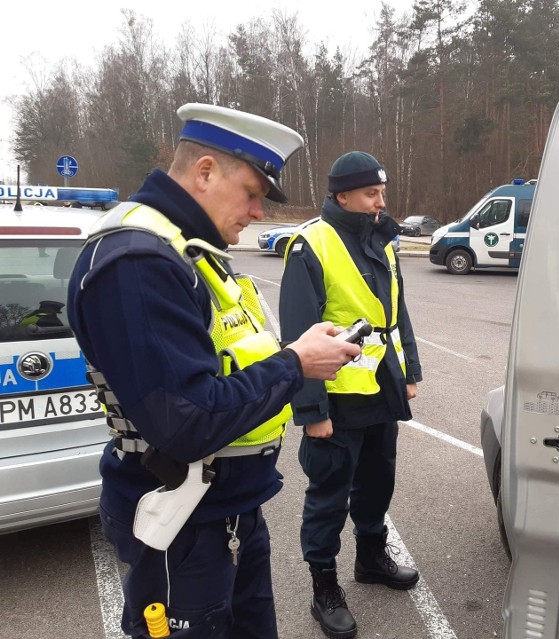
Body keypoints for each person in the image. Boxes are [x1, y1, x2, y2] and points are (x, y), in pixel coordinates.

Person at [66, 103, 361, 639]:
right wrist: (297, 363)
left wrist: (295, 354)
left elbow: (225, 365)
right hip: (183, 523)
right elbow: (187, 420)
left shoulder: (186, 249)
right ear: (204, 172)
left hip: (222, 509)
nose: (257, 213)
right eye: (251, 193)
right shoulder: (139, 262)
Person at [278, 151, 423, 638]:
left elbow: (396, 313)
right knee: (327, 495)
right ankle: (324, 589)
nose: (381, 202)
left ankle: (371, 557)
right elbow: (298, 335)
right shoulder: (311, 244)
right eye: (371, 194)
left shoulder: (383, 240)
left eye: (382, 192)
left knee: (378, 480)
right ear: (343, 196)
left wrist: (410, 371)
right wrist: (311, 410)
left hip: (380, 387)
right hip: (336, 399)